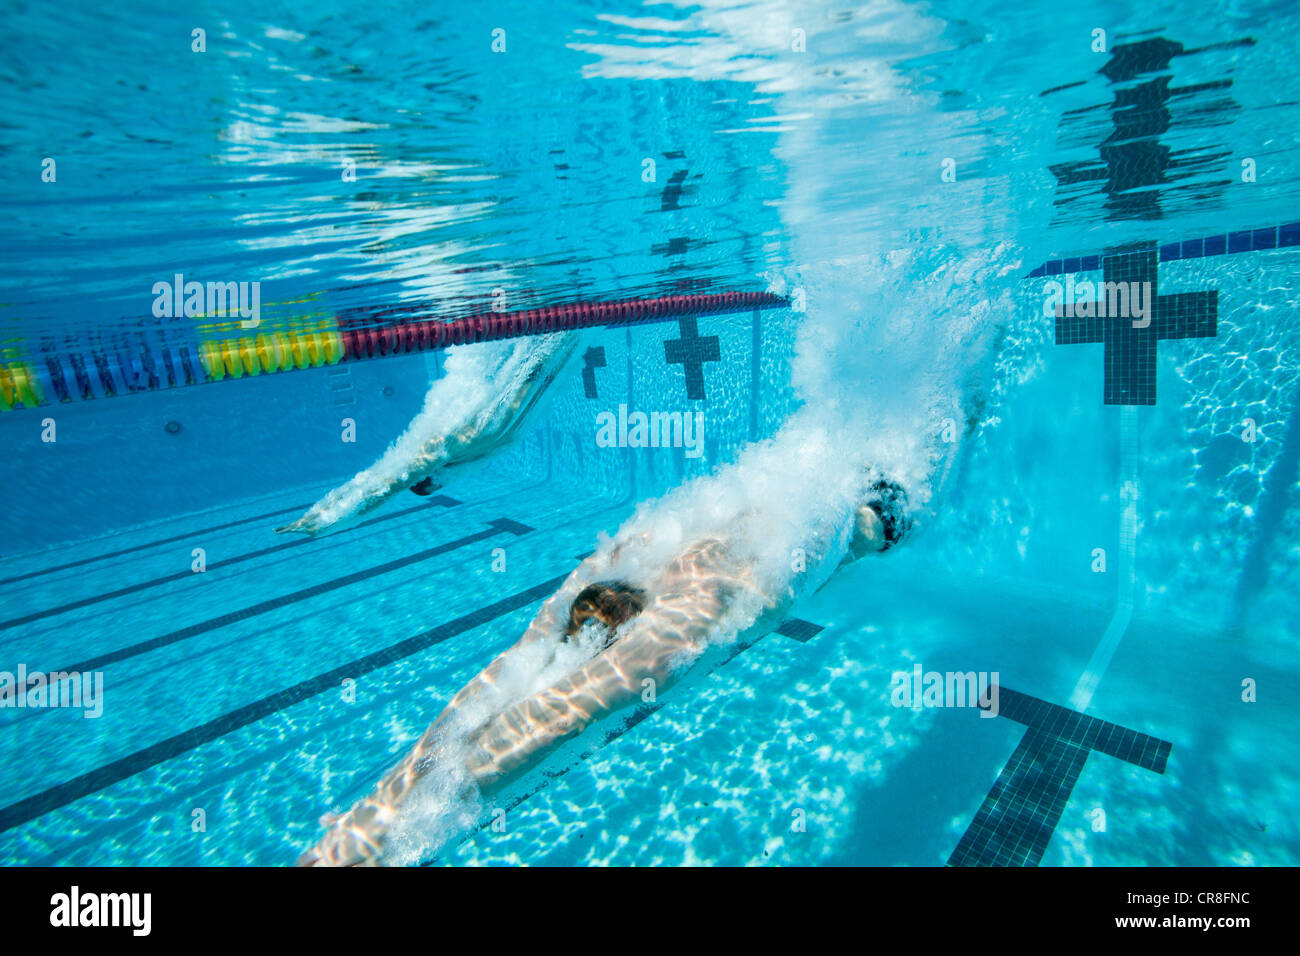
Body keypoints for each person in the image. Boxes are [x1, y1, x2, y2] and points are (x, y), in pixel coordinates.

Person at [295, 474, 910, 866]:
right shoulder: (607, 572)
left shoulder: (681, 620)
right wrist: (376, 810)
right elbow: (505, 676)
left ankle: (886, 516)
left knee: (853, 543)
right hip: (793, 506)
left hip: (834, 530)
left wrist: (379, 842)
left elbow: (561, 716)